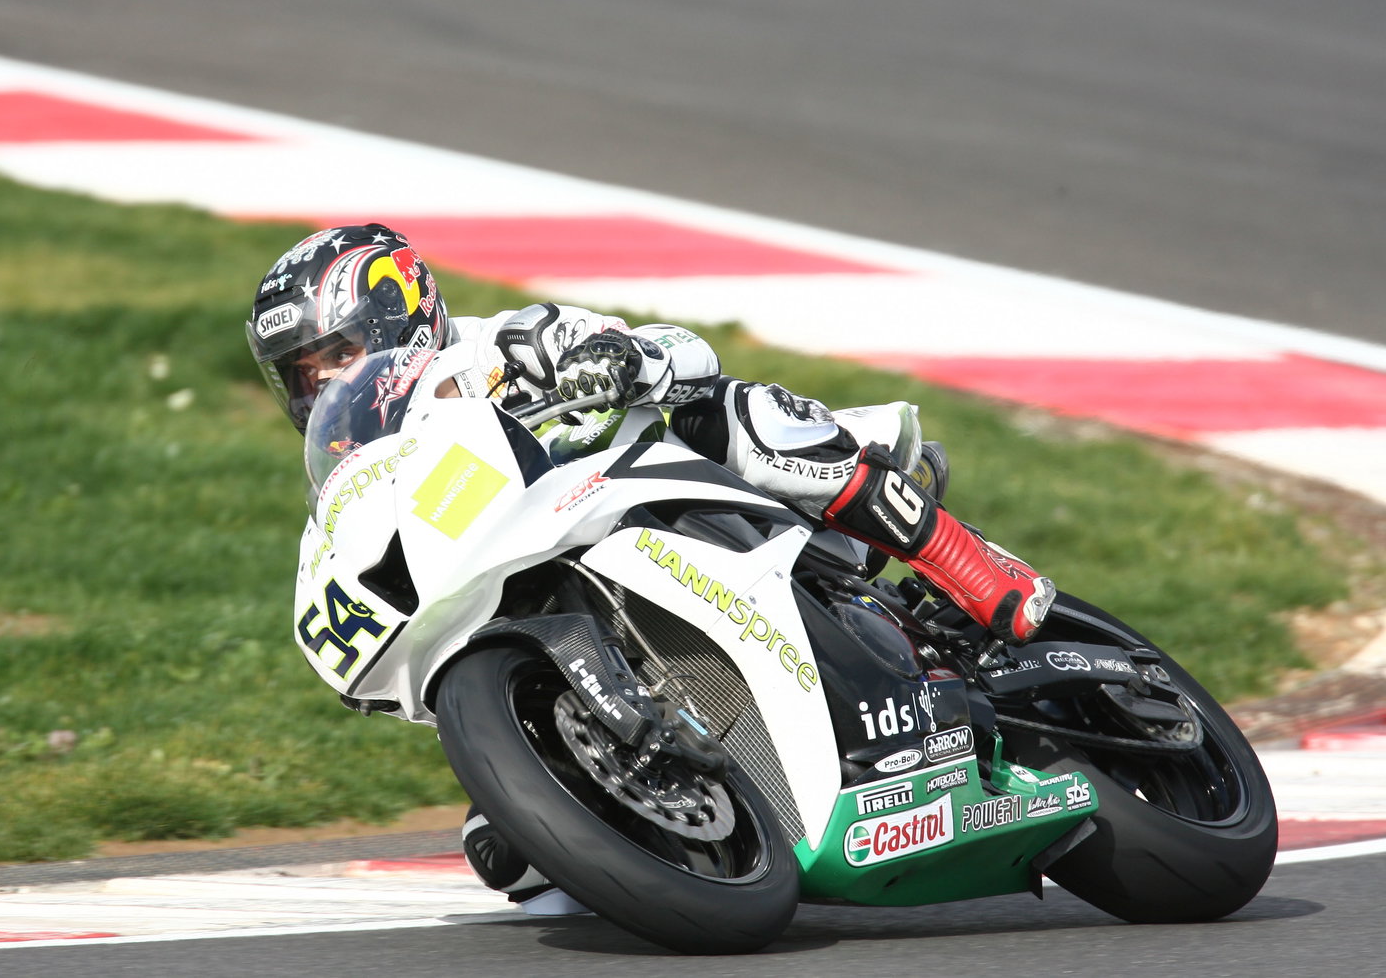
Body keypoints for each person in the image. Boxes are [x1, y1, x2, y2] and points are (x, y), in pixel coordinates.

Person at [247, 222, 1056, 913]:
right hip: (561, 592)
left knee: (734, 414)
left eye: (334, 353)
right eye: (300, 372)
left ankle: (967, 559)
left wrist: (621, 360)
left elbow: (682, 350)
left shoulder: (504, 345)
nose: (320, 382)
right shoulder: (359, 474)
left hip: (694, 506)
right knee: (513, 861)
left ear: (402, 316)